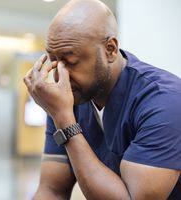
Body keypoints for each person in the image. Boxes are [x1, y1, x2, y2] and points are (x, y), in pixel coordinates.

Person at [23, 0, 181, 199]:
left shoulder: (164, 101)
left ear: (110, 49)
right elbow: (52, 190)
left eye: (71, 62)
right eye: (54, 61)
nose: (59, 76)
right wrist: (61, 115)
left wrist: (65, 121)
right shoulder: (67, 97)